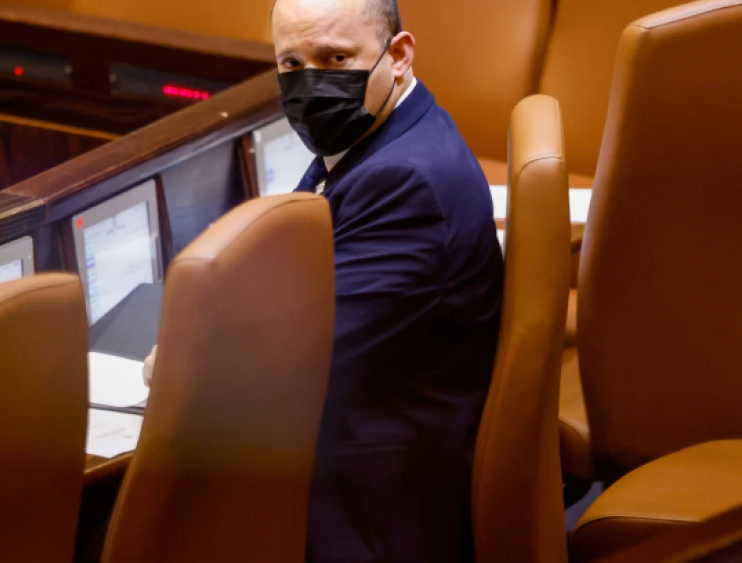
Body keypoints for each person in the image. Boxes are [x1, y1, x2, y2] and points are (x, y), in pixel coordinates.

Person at [144, 0, 503, 560]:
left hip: (367, 508)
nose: (311, 84)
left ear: (400, 55)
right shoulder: (386, 136)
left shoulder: (406, 185)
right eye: (291, 64)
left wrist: (186, 355)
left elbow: (291, 367)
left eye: (335, 59)